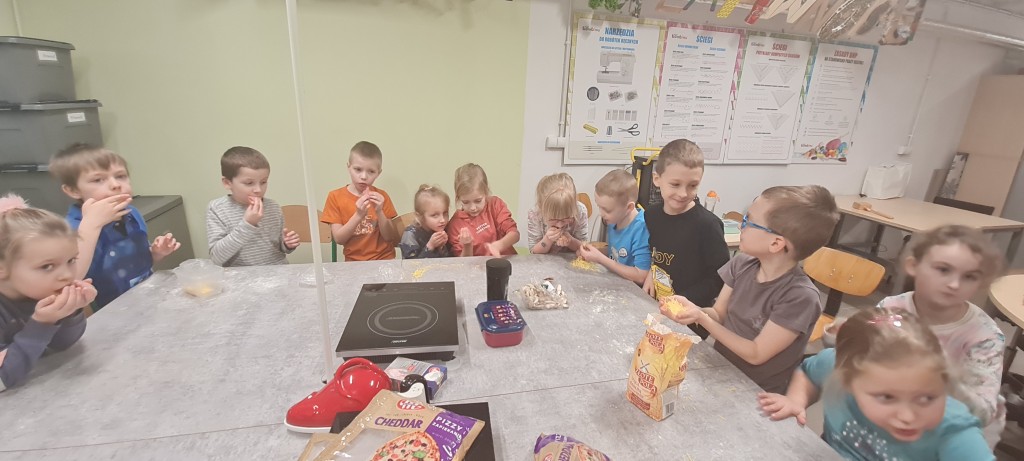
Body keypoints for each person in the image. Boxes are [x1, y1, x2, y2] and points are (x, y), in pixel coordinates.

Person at [759, 307, 993, 460]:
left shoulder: (953, 430)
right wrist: (796, 400)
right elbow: (808, 373)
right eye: (887, 397)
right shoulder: (833, 365)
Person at [50, 143, 179, 309]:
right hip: (109, 312)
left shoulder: (132, 213)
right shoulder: (69, 230)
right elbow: (71, 278)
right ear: (73, 190)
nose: (115, 184)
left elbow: (140, 263)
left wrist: (156, 253)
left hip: (147, 301)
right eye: (98, 180)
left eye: (120, 176)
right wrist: (92, 225)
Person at [0, 195, 93, 390]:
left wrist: (70, 311)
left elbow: (62, 345)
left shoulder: (38, 290)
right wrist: (41, 324)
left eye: (71, 260)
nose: (67, 275)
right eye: (47, 266)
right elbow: (3, 378)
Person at [206, 146, 300, 266]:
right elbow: (216, 258)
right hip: (239, 274)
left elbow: (277, 246)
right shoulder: (217, 209)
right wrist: (248, 224)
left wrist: (287, 244)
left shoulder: (273, 206)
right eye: (249, 183)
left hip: (277, 270)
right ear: (227, 183)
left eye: (263, 182)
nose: (258, 190)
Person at [321, 141, 398, 261]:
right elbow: (339, 239)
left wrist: (379, 211)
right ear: (348, 167)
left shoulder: (382, 196)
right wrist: (358, 215)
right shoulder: (335, 197)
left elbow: (389, 237)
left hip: (384, 259)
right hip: (354, 262)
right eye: (358, 169)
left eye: (371, 171)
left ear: (378, 173)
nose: (363, 177)